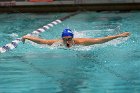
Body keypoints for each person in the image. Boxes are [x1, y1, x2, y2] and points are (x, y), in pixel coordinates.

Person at [22, 29, 130, 48]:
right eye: (65, 39)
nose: (67, 41)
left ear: (73, 38)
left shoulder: (82, 42)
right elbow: (42, 42)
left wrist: (119, 35)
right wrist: (27, 37)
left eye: (69, 39)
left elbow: (101, 40)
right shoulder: (58, 43)